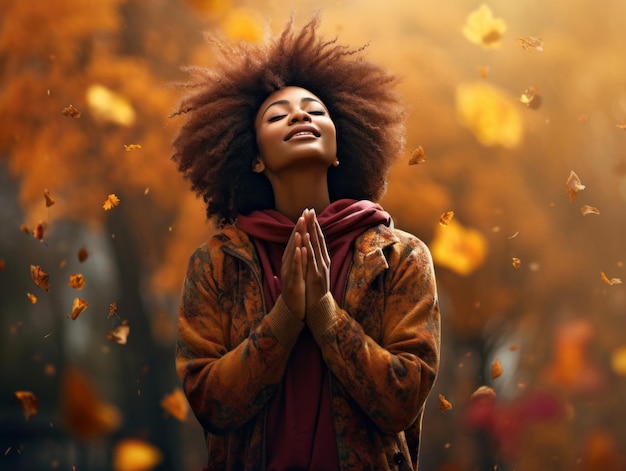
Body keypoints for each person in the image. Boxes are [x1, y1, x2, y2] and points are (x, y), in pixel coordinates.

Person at [172, 14, 441, 471]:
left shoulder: (400, 257)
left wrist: (324, 314)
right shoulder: (217, 263)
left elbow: (403, 397)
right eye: (278, 115)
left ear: (339, 147)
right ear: (254, 158)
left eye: (316, 111)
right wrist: (284, 319)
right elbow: (210, 403)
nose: (299, 114)